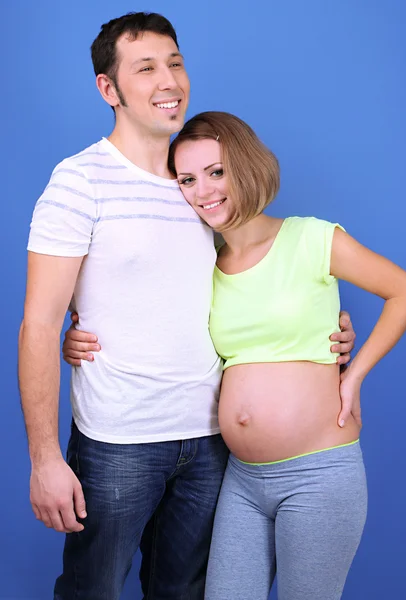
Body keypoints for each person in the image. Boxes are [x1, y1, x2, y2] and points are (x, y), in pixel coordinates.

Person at [18, 12, 356, 600]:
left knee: (182, 593)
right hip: (117, 440)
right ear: (109, 89)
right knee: (91, 590)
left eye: (174, 62)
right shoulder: (79, 181)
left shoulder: (199, 182)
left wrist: (325, 322)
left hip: (209, 441)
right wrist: (45, 457)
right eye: (145, 68)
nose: (168, 79)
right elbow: (40, 323)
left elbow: (255, 274)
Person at [64, 111, 406, 600]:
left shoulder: (312, 238)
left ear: (245, 165)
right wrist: (78, 333)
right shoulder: (202, 262)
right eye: (187, 179)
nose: (203, 190)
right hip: (240, 480)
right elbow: (139, 307)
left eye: (216, 172)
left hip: (317, 474)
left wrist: (355, 373)